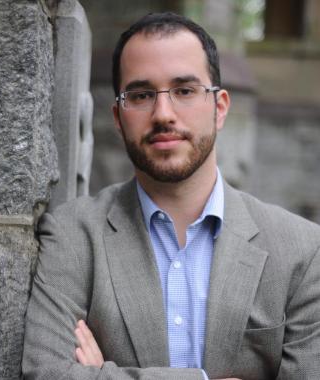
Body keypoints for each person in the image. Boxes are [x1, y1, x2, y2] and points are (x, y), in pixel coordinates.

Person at [22, 12, 320, 380]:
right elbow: (47, 374)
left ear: (220, 107)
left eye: (184, 90)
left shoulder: (302, 252)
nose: (163, 114)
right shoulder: (71, 235)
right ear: (117, 116)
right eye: (142, 94)